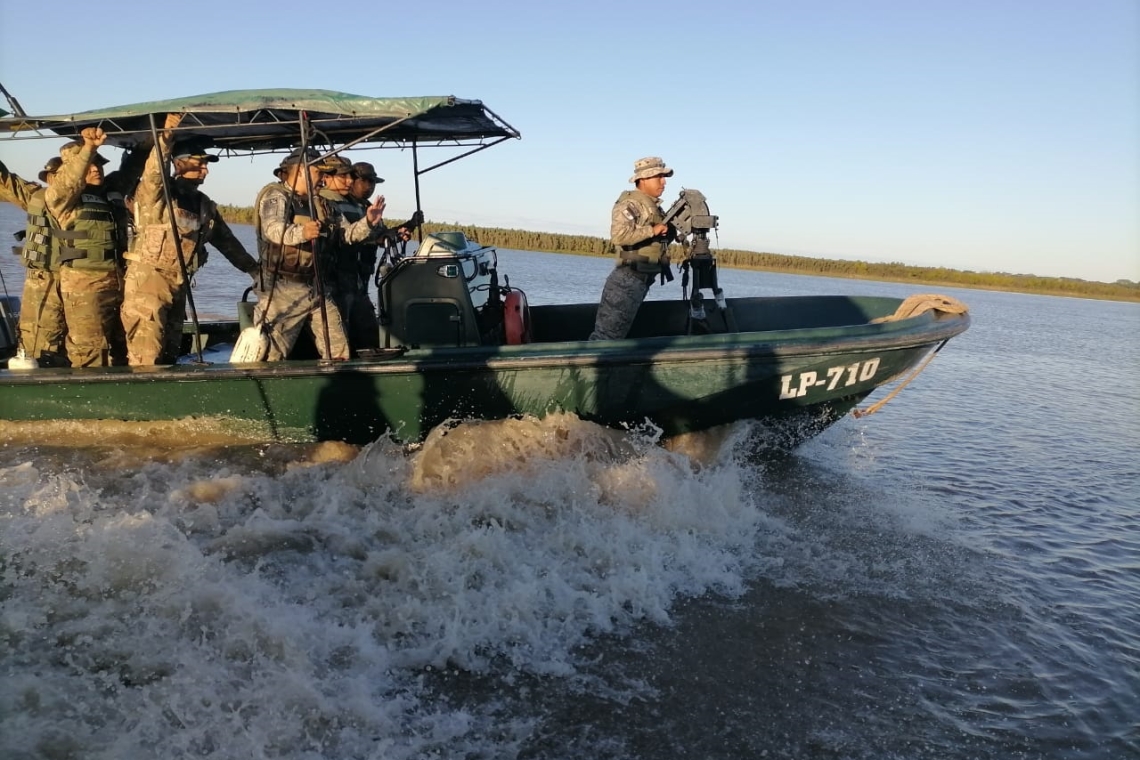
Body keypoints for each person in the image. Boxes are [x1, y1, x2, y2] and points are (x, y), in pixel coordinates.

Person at [121, 114, 258, 365]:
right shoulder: (159, 196)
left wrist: (254, 270)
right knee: (146, 355)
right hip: (148, 283)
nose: (205, 169)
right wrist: (165, 138)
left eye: (206, 164)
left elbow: (228, 243)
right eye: (200, 163)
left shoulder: (204, 204)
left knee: (171, 353)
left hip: (179, 284)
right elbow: (153, 174)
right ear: (179, 163)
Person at [251, 147, 386, 361]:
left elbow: (345, 235)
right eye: (318, 173)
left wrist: (368, 222)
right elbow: (273, 230)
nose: (323, 179)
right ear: (302, 171)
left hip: (318, 288)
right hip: (283, 291)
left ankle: (338, 386)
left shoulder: (322, 204)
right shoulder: (276, 195)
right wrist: (302, 232)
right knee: (271, 354)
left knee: (339, 351)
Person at [43, 128, 136, 367]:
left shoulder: (110, 191)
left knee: (124, 347)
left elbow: (133, 167)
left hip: (118, 281)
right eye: (89, 164)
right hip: (84, 286)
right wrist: (88, 149)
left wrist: (161, 135)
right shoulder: (62, 198)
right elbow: (69, 181)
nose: (96, 168)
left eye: (99, 164)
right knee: (91, 351)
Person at [589, 156, 675, 341]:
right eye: (658, 177)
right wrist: (652, 230)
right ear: (643, 179)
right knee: (606, 339)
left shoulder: (652, 206)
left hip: (641, 279)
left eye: (664, 176)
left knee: (615, 337)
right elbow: (619, 235)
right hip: (627, 280)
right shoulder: (630, 204)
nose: (664, 181)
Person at [1, 157, 69, 365]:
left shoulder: (95, 199)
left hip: (82, 283)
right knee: (39, 338)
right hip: (44, 278)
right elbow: (7, 180)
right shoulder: (38, 197)